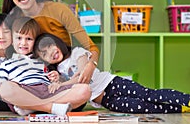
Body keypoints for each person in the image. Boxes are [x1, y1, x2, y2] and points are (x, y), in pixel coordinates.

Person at [33, 33, 190, 114]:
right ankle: (179, 109)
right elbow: (67, 90)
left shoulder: (76, 52)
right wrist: (56, 80)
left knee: (149, 94)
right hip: (104, 101)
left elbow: (81, 75)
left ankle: (186, 100)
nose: (50, 53)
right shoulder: (59, 70)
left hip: (112, 84)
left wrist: (61, 84)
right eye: (45, 54)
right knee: (141, 107)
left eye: (50, 47)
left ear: (57, 42)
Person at [0, 17, 91, 116]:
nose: (23, 43)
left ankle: (32, 106)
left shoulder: (42, 61)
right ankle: (51, 108)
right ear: (12, 41)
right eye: (19, 38)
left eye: (29, 39)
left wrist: (57, 78)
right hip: (25, 91)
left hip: (48, 91)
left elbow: (60, 80)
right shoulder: (6, 64)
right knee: (5, 88)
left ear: (35, 42)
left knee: (85, 90)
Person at [2, 0, 99, 84]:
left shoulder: (58, 10)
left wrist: (90, 66)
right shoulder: (12, 20)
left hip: (66, 79)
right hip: (32, 81)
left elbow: (91, 48)